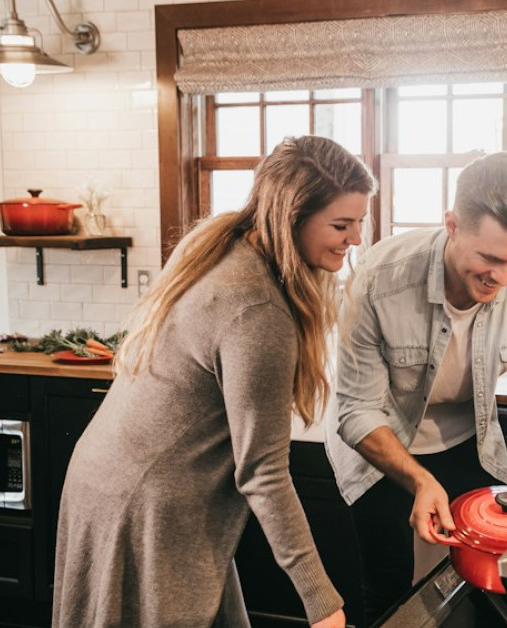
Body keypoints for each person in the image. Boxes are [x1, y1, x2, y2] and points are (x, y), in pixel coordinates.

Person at [52, 136, 376, 628]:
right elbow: (263, 472)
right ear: (292, 215)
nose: (354, 238)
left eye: (359, 222)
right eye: (340, 224)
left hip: (109, 480)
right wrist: (322, 603)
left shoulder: (226, 246)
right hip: (148, 503)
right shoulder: (256, 309)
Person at [326, 151, 507, 625]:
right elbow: (357, 409)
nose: (501, 278)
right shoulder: (380, 279)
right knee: (391, 584)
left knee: (486, 581)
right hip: (380, 442)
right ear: (452, 224)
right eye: (490, 258)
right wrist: (420, 480)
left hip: (468, 439)